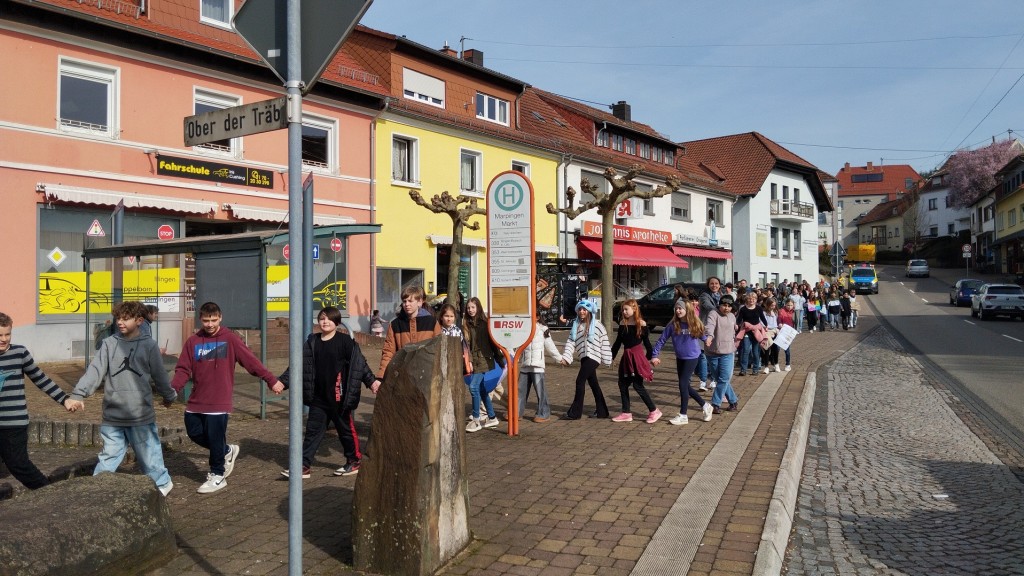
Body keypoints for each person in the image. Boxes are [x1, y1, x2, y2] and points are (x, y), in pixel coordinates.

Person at [66, 301, 177, 496]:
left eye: (125, 319)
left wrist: (168, 396)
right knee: (109, 455)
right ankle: (98, 488)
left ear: (139, 320)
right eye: (118, 318)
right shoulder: (109, 344)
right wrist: (78, 394)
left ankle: (162, 482)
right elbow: (95, 372)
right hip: (113, 414)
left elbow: (160, 375)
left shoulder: (149, 346)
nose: (120, 322)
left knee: (149, 455)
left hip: (140, 414)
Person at [170, 302, 282, 494]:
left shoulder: (230, 339)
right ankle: (226, 450)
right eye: (206, 320)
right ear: (200, 319)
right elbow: (182, 369)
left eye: (214, 320)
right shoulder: (193, 342)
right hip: (197, 400)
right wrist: (173, 390)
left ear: (220, 318)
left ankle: (217, 474)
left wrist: (270, 379)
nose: (210, 324)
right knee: (194, 432)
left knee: (214, 437)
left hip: (219, 400)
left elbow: (251, 361)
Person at [277, 306, 380, 479]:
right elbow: (298, 364)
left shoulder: (345, 341)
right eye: (322, 318)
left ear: (337, 322)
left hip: (339, 398)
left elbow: (359, 364)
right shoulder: (312, 341)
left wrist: (371, 381)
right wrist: (282, 382)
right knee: (312, 432)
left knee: (345, 431)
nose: (325, 322)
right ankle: (303, 466)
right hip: (319, 397)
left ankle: (354, 461)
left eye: (329, 319)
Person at [0, 312, 77, 490]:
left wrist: (64, 399)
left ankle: (47, 492)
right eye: (0, 335)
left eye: (7, 334)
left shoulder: (19, 353)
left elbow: (41, 379)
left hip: (14, 422)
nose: (4, 339)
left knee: (18, 465)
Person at [651, 300, 713, 425]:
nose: (678, 311)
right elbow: (661, 340)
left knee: (682, 384)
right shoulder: (673, 325)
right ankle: (705, 405)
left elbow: (701, 334)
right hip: (680, 357)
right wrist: (654, 355)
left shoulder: (693, 323)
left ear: (687, 310)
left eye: (680, 308)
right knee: (685, 386)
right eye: (676, 308)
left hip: (692, 357)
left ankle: (683, 415)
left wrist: (706, 340)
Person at [377, 285, 441, 390]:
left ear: (419, 302)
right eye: (404, 301)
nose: (407, 304)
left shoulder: (432, 322)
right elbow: (388, 352)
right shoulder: (395, 325)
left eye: (410, 301)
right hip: (402, 375)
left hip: (427, 375)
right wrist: (381, 376)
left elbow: (439, 350)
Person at [559, 299, 611, 420]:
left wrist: (607, 358)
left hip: (594, 358)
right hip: (584, 357)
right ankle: (602, 411)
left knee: (579, 381)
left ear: (589, 311)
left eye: (584, 309)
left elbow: (604, 342)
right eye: (580, 309)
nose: (582, 312)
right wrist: (566, 357)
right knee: (594, 384)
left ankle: (575, 413)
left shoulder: (597, 325)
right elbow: (571, 342)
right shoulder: (576, 326)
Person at [610, 299, 660, 424]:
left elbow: (648, 345)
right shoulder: (622, 323)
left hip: (637, 357)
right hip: (626, 357)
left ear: (634, 309)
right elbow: (617, 343)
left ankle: (654, 410)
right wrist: (610, 357)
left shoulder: (641, 324)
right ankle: (626, 412)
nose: (624, 312)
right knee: (622, 384)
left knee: (638, 385)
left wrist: (651, 358)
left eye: (626, 309)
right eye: (623, 310)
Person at [463, 297, 502, 432]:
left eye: (473, 307)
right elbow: (468, 346)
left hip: (483, 359)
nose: (470, 310)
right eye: (468, 308)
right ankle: (492, 417)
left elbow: (492, 343)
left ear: (478, 308)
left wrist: (499, 359)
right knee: (482, 390)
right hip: (474, 360)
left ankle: (476, 420)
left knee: (473, 387)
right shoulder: (467, 324)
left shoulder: (484, 324)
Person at [517, 320, 562, 423]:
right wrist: (515, 358)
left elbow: (550, 346)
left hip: (538, 366)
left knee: (541, 392)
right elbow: (519, 345)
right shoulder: (524, 327)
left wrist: (559, 358)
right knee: (520, 390)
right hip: (525, 365)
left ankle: (544, 413)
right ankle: (517, 412)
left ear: (537, 317)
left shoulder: (543, 329)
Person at [704, 295, 740, 414]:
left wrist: (736, 338)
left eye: (729, 306)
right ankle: (733, 401)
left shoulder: (732, 316)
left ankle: (715, 404)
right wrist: (709, 336)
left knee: (723, 378)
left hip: (728, 352)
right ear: (719, 304)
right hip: (712, 352)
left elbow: (733, 331)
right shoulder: (713, 314)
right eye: (724, 305)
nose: (727, 308)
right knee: (721, 379)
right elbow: (710, 325)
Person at [696, 276, 722, 392]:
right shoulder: (704, 296)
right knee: (703, 355)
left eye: (716, 283)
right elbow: (709, 307)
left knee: (712, 355)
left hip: (717, 328)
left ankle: (712, 379)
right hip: (705, 328)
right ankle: (702, 381)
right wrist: (723, 309)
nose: (714, 285)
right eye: (712, 283)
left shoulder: (721, 296)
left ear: (719, 285)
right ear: (708, 285)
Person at [735, 292, 766, 376]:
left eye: (753, 298)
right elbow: (739, 319)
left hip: (756, 331)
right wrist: (737, 325)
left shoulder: (759, 308)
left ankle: (755, 369)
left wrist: (766, 325)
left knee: (755, 351)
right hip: (746, 331)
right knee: (745, 350)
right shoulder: (743, 309)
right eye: (749, 298)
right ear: (747, 300)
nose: (751, 300)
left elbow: (762, 318)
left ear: (756, 300)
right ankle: (743, 369)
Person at [760, 298, 782, 373]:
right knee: (767, 348)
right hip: (767, 331)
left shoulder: (775, 312)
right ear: (768, 305)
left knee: (775, 348)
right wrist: (765, 327)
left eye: (774, 305)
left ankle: (776, 364)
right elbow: (762, 322)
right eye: (772, 305)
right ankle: (766, 366)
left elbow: (777, 321)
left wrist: (779, 326)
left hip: (775, 331)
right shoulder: (764, 313)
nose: (773, 307)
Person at [777, 299, 797, 371]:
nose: (789, 307)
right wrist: (779, 323)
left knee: (787, 349)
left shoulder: (794, 312)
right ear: (785, 304)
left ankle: (787, 364)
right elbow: (779, 318)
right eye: (788, 305)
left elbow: (796, 322)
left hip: (789, 332)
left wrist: (795, 330)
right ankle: (776, 364)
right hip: (781, 331)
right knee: (777, 348)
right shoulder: (781, 311)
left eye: (791, 305)